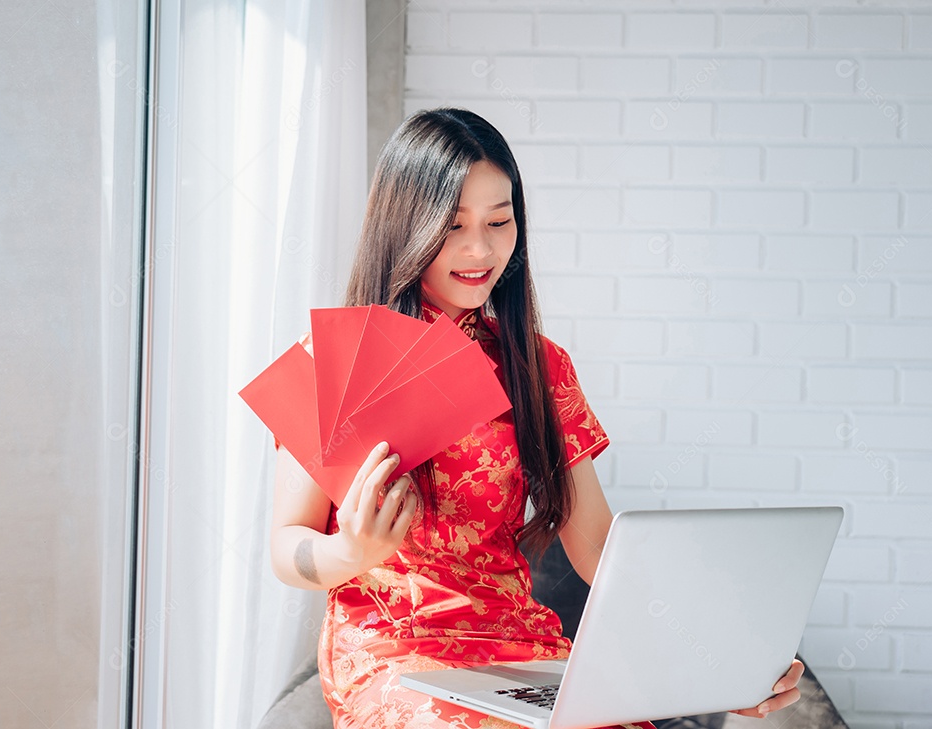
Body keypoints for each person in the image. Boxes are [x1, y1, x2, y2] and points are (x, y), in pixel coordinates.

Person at [269, 108, 804, 728]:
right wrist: (349, 551)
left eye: (499, 221)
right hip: (395, 651)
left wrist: (717, 662)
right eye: (453, 226)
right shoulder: (334, 361)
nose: (480, 249)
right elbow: (287, 546)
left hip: (517, 648)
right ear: (404, 226)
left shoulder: (540, 368)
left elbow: (600, 548)